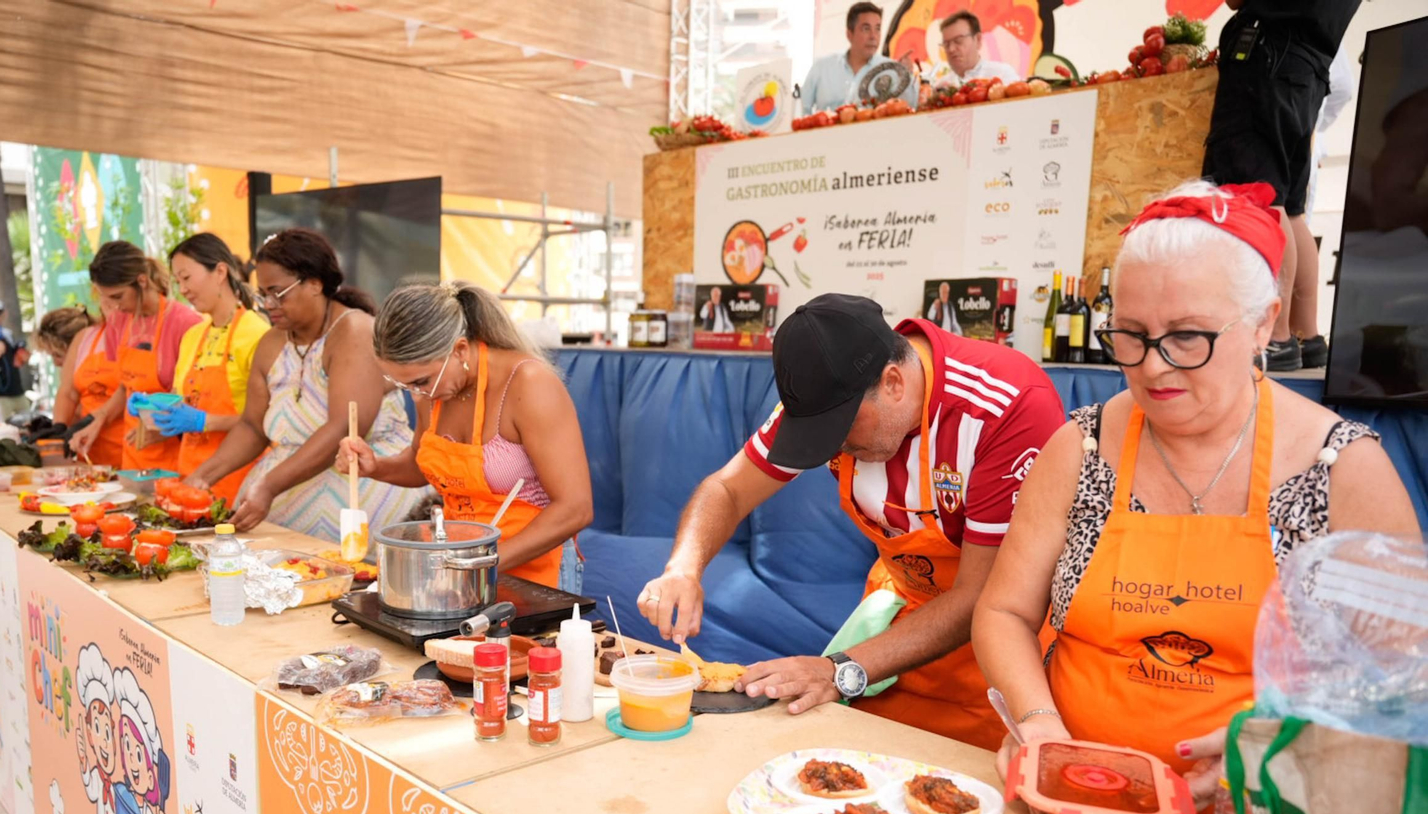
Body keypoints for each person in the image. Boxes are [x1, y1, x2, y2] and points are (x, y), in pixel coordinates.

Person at [971, 180, 1417, 803]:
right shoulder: (1083, 448)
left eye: (1187, 337)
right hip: (1074, 796)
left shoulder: (1341, 469)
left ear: (1263, 324)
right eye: (1130, 333)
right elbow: (1003, 613)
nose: (1153, 366)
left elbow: (1405, 683)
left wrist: (1294, 742)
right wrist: (1040, 724)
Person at [639, 293, 1065, 747]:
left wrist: (839, 670)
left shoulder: (1004, 408)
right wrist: (683, 567)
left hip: (993, 659)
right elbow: (726, 488)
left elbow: (980, 595)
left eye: (843, 436)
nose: (835, 449)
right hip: (892, 639)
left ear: (894, 383)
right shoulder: (826, 396)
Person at [335, 282, 593, 590]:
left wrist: (482, 562)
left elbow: (575, 508)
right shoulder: (431, 391)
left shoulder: (529, 384)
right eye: (405, 385)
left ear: (459, 350)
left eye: (421, 381)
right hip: (461, 565)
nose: (417, 394)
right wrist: (375, 466)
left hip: (536, 573)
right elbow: (423, 468)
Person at [182, 227, 424, 539]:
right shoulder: (271, 343)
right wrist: (201, 477)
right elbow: (253, 427)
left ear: (314, 284)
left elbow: (344, 428)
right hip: (284, 487)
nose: (268, 304)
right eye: (262, 294)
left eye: (277, 293)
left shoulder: (353, 331)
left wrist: (269, 486)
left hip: (363, 482)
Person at [1202, 0, 1362, 371]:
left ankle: (1275, 338)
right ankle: (1306, 336)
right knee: (1290, 208)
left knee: (1260, 198)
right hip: (1308, 67)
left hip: (1267, 56)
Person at [68, 241, 202, 470]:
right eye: (106, 298)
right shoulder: (119, 321)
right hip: (133, 458)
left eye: (118, 296)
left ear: (142, 280)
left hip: (176, 458)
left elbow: (196, 395)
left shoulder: (185, 323)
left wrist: (167, 429)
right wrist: (96, 422)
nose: (113, 307)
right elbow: (125, 387)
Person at [163, 233, 270, 503]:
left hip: (239, 485)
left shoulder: (257, 334)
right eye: (177, 282)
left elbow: (269, 418)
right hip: (191, 480)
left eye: (186, 278)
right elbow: (182, 398)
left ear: (220, 271)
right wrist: (156, 410)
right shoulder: (192, 336)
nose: (182, 289)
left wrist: (205, 421)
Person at [1289, 48, 1356, 370]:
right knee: (1289, 219)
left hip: (1298, 136)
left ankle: (1299, 336)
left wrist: (1313, 123)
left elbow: (1342, 87)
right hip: (1295, 134)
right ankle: (1295, 337)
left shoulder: (1311, 19)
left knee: (1289, 218)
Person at [800, 4, 914, 115]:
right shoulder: (822, 68)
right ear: (849, 34)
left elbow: (908, 109)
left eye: (877, 29)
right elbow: (801, 110)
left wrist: (906, 75)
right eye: (866, 29)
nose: (873, 36)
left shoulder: (892, 70)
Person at [55, 297, 123, 467]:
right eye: (104, 295)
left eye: (117, 296)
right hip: (88, 454)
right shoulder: (85, 338)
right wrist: (59, 426)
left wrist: (96, 418)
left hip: (129, 453)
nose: (110, 303)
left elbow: (131, 390)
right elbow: (68, 392)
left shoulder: (140, 338)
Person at [929, 11, 1019, 88]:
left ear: (978, 40)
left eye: (958, 41)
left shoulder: (1002, 74)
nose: (951, 49)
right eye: (946, 44)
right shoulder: (941, 87)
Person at [0, 298, 30, 418]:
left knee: (28, 423)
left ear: (4, 314)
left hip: (17, 391)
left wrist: (22, 356)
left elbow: (16, 360)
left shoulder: (7, 334)